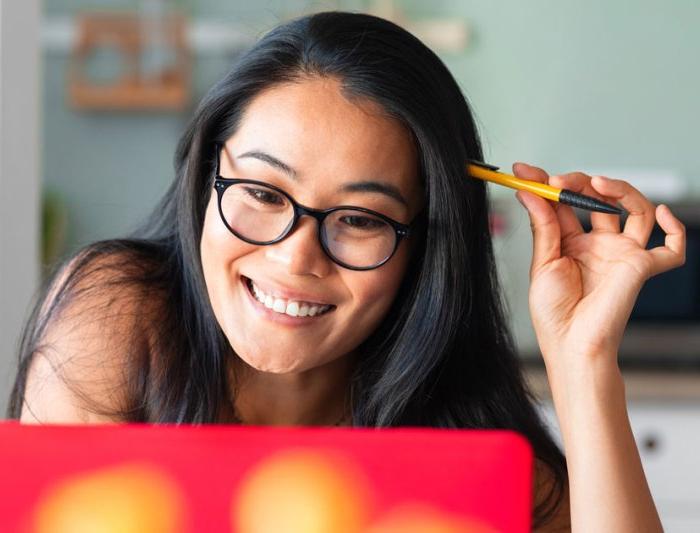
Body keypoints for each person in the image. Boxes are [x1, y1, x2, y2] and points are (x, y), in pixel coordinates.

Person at [7, 11, 684, 532]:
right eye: (264, 194)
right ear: (205, 177)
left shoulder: (467, 441)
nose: (297, 256)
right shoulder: (120, 316)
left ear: (425, 244)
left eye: (360, 220)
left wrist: (584, 358)